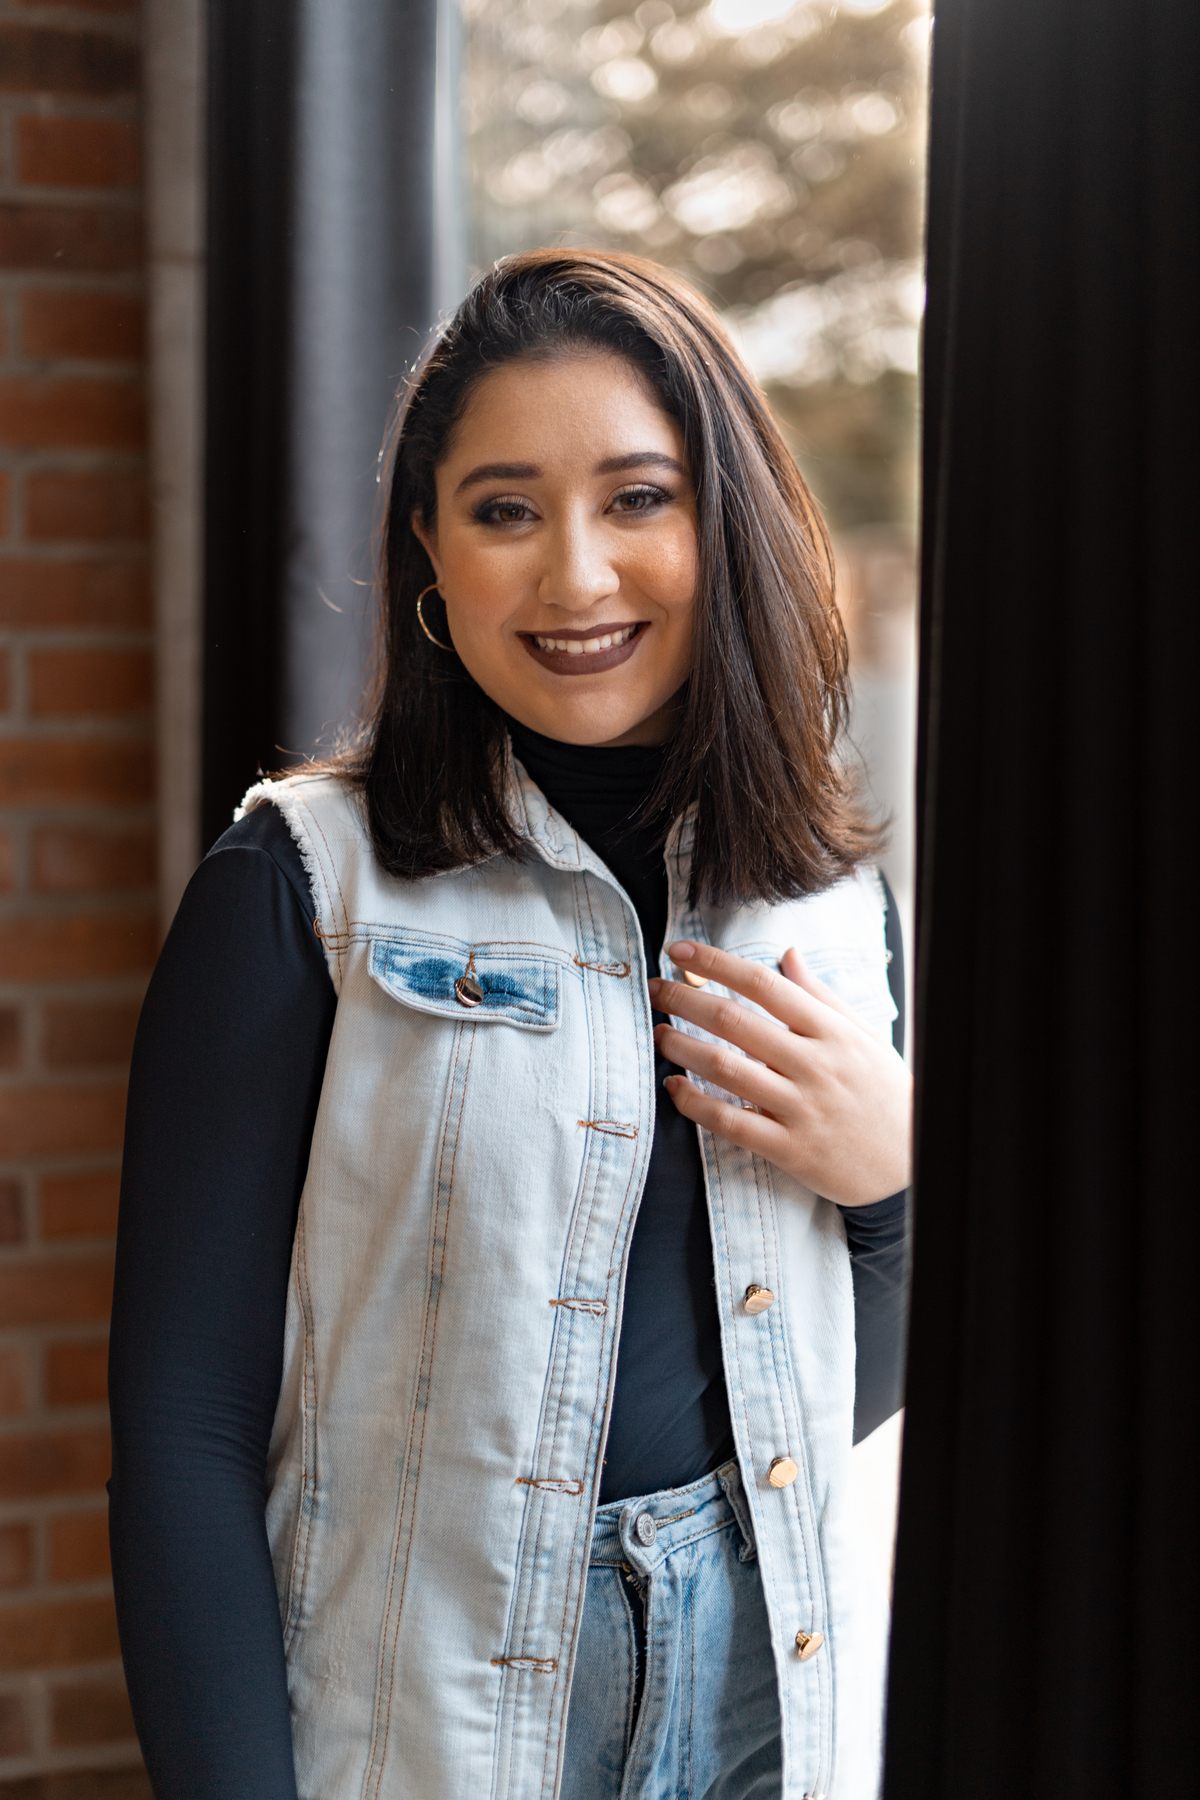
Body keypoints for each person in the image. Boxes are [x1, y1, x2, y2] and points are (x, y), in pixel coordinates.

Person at [108, 249, 911, 1800]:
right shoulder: (301, 889)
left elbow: (824, 1389)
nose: (576, 577)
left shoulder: (831, 901)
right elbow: (187, 1437)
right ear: (429, 546)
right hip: (433, 1725)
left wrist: (894, 1179)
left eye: (636, 498)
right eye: (504, 510)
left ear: (721, 520)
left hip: (777, 1701)